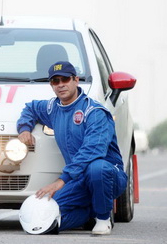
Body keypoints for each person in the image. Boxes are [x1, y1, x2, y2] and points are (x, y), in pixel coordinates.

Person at [17, 61, 127, 235]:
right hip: (78, 179)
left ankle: (103, 219)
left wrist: (61, 181)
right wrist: (24, 128)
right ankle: (90, 213)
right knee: (44, 218)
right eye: (55, 81)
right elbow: (30, 108)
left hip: (107, 176)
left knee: (96, 167)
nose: (61, 85)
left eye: (65, 79)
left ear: (76, 80)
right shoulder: (53, 108)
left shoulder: (94, 112)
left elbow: (92, 152)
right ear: (51, 85)